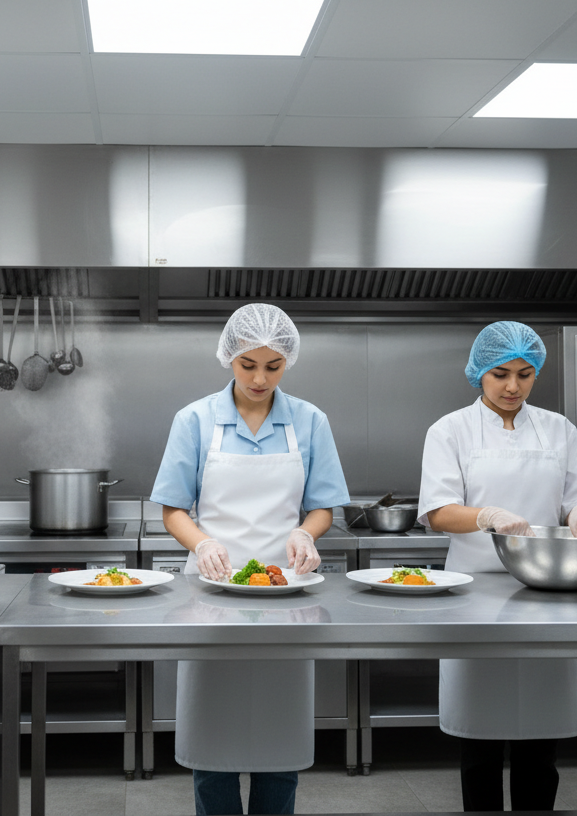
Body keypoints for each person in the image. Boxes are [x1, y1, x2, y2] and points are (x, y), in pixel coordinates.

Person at [150, 303, 349, 816]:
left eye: (273, 366)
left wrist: (307, 534)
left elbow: (323, 507)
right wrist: (202, 543)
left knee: (279, 741)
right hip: (210, 596)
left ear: (288, 362)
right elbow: (173, 509)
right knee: (212, 743)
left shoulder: (310, 420)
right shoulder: (193, 419)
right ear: (228, 358)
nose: (260, 378)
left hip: (287, 594)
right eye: (247, 365)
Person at [417, 321, 577, 812]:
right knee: (478, 742)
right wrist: (486, 515)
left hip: (545, 595)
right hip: (475, 595)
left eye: (525, 374)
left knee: (540, 745)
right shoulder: (450, 429)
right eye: (500, 374)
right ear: (479, 372)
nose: (512, 387)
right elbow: (438, 512)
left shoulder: (558, 428)